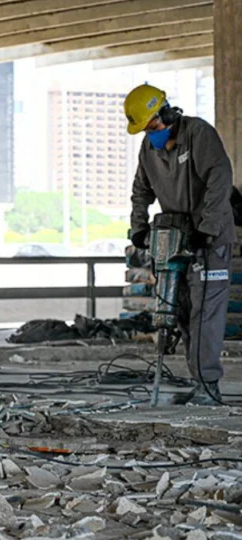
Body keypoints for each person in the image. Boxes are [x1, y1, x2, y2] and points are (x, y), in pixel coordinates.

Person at [125, 83, 234, 406]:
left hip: (208, 242)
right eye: (145, 129)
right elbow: (141, 190)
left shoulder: (198, 134)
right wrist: (138, 228)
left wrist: (208, 227)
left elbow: (220, 177)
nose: (151, 133)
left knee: (205, 314)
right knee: (181, 311)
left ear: (168, 113)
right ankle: (198, 380)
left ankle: (208, 384)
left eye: (153, 125)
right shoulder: (149, 148)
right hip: (174, 236)